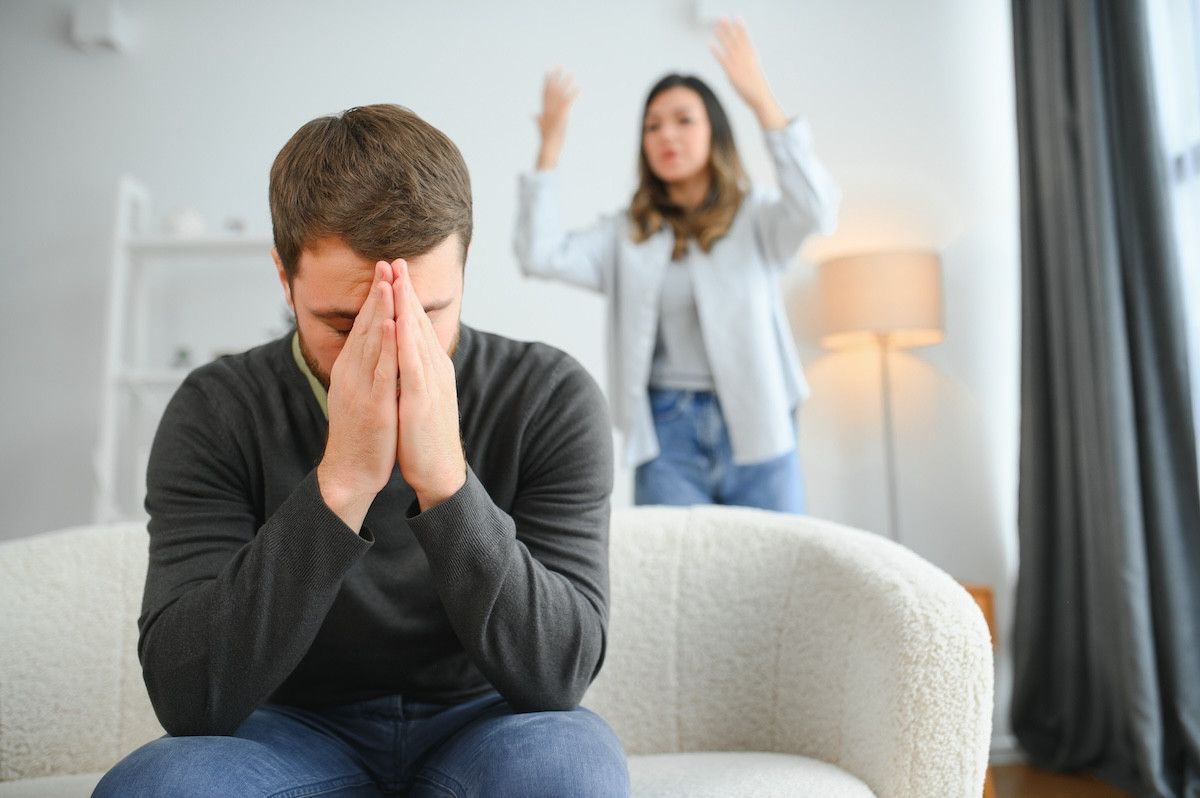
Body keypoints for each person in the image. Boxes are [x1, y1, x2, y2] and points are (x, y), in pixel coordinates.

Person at [93, 104, 629, 797]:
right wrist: (341, 483)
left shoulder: (548, 396)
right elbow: (188, 697)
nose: (389, 344)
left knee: (569, 774)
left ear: (464, 268)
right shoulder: (217, 409)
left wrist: (446, 481)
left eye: (427, 313)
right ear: (284, 278)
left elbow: (559, 677)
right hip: (287, 730)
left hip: (489, 720)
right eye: (345, 323)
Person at [514, 18, 840, 513]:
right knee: (676, 563)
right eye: (653, 125)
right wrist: (550, 148)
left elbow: (817, 209)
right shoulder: (628, 233)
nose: (667, 134)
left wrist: (760, 100)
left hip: (759, 421)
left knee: (777, 558)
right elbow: (540, 254)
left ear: (714, 131)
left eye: (684, 120)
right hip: (668, 433)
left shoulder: (756, 217)